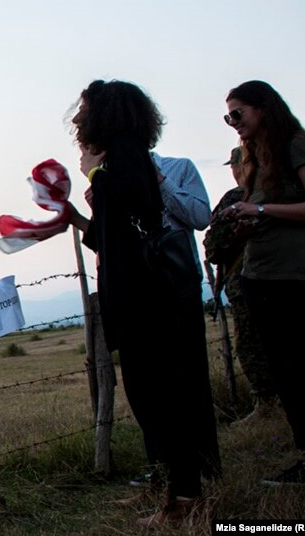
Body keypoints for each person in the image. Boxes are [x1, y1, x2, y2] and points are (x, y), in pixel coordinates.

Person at [65, 79, 218, 527]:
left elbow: (140, 218)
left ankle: (185, 498)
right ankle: (173, 490)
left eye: (84, 111)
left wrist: (94, 174)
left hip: (146, 300)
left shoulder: (125, 159)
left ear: (105, 116)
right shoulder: (123, 159)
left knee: (159, 399)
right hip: (142, 295)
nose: (77, 119)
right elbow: (116, 237)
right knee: (152, 397)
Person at [222, 80, 305, 510]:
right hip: (262, 278)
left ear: (264, 109)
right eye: (228, 117)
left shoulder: (299, 147)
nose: (233, 124)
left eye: (239, 114)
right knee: (290, 379)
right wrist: (248, 223)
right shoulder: (255, 158)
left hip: (300, 278)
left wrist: (262, 210)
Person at [126, 151, 220, 488]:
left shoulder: (179, 168)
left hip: (179, 285)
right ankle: (164, 469)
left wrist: (161, 182)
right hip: (140, 291)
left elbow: (199, 216)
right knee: (152, 388)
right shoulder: (115, 177)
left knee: (189, 381)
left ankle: (205, 468)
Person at [203, 147, 278, 424]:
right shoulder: (281, 193)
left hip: (246, 284)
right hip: (287, 279)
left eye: (235, 165)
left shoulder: (235, 199)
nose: (234, 171)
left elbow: (214, 248)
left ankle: (268, 402)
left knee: (251, 345)